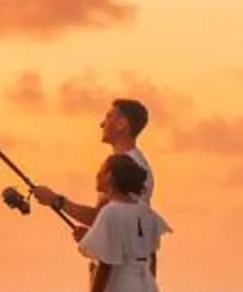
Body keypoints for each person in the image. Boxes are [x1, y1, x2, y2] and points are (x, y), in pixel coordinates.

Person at [77, 153, 171, 292]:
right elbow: (151, 256)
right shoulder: (147, 212)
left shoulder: (110, 212)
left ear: (110, 177)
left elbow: (107, 263)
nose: (97, 175)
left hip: (121, 291)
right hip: (147, 288)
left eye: (101, 171)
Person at [34, 98, 154, 237]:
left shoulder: (124, 167)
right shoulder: (139, 162)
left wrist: (55, 200)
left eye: (108, 117)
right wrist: (93, 238)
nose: (102, 124)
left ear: (121, 124)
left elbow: (98, 217)